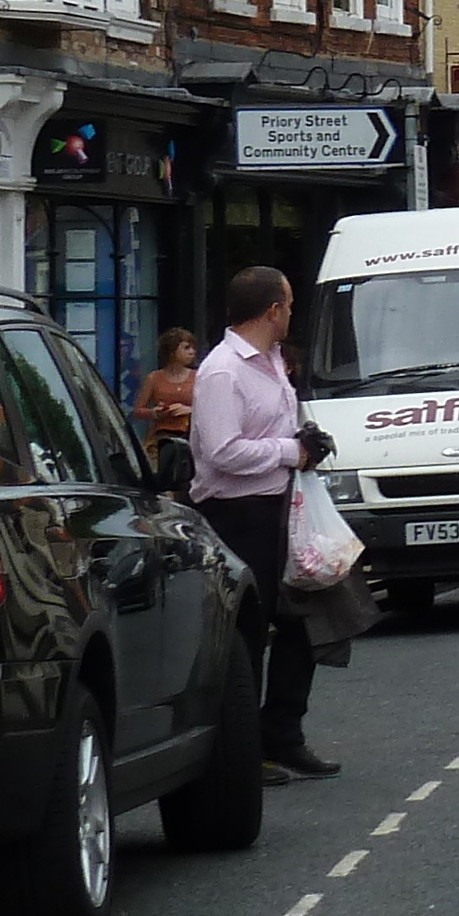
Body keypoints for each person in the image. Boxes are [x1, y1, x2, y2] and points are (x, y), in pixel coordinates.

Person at [190, 266, 339, 782]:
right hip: (236, 515)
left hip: (282, 506)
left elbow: (277, 429)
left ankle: (283, 734)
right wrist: (289, 451)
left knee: (305, 616)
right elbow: (221, 451)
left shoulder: (274, 361)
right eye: (290, 304)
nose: (292, 313)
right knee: (247, 632)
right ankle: (243, 750)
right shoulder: (222, 371)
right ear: (272, 309)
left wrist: (308, 440)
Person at [134, 327, 200, 496]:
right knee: (162, 484)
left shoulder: (198, 377)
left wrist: (189, 410)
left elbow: (212, 407)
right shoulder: (154, 378)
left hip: (188, 437)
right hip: (160, 439)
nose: (192, 352)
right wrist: (155, 413)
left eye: (193, 347)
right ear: (171, 352)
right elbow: (138, 411)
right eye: (186, 348)